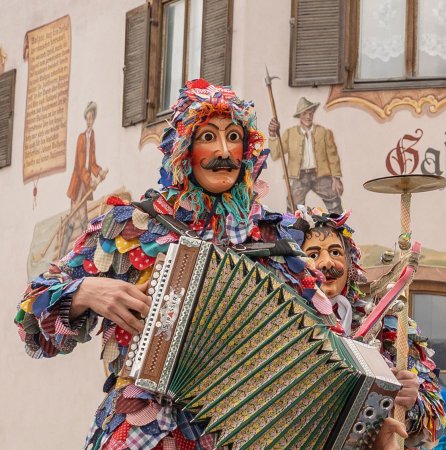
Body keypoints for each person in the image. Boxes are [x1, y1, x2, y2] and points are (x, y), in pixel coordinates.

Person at [13, 79, 402, 450]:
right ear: (184, 148)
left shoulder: (279, 243)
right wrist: (85, 291)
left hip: (240, 437)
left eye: (234, 137)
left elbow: (327, 360)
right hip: (140, 433)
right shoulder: (131, 226)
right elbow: (33, 324)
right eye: (208, 137)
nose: (224, 152)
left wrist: (379, 402)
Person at [290, 206, 446, 448]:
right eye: (313, 255)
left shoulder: (387, 323)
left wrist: (412, 399)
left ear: (350, 263)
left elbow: (435, 413)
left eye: (335, 252)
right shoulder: (284, 322)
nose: (326, 263)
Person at [268, 97, 344, 213]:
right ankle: (294, 230)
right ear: (300, 115)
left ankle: (340, 229)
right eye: (305, 113)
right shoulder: (290, 133)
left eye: (310, 113)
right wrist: (273, 134)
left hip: (321, 175)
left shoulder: (324, 132)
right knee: (294, 208)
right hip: (300, 177)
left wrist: (336, 178)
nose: (308, 116)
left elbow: (332, 155)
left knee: (334, 203)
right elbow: (276, 154)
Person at [63, 101, 106, 255]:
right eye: (87, 118)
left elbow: (91, 162)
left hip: (85, 182)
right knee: (74, 216)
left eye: (91, 118)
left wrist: (99, 172)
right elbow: (80, 166)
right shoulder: (81, 138)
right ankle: (65, 254)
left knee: (82, 216)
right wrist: (90, 181)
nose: (89, 121)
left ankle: (85, 249)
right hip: (78, 182)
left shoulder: (92, 135)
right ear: (85, 119)